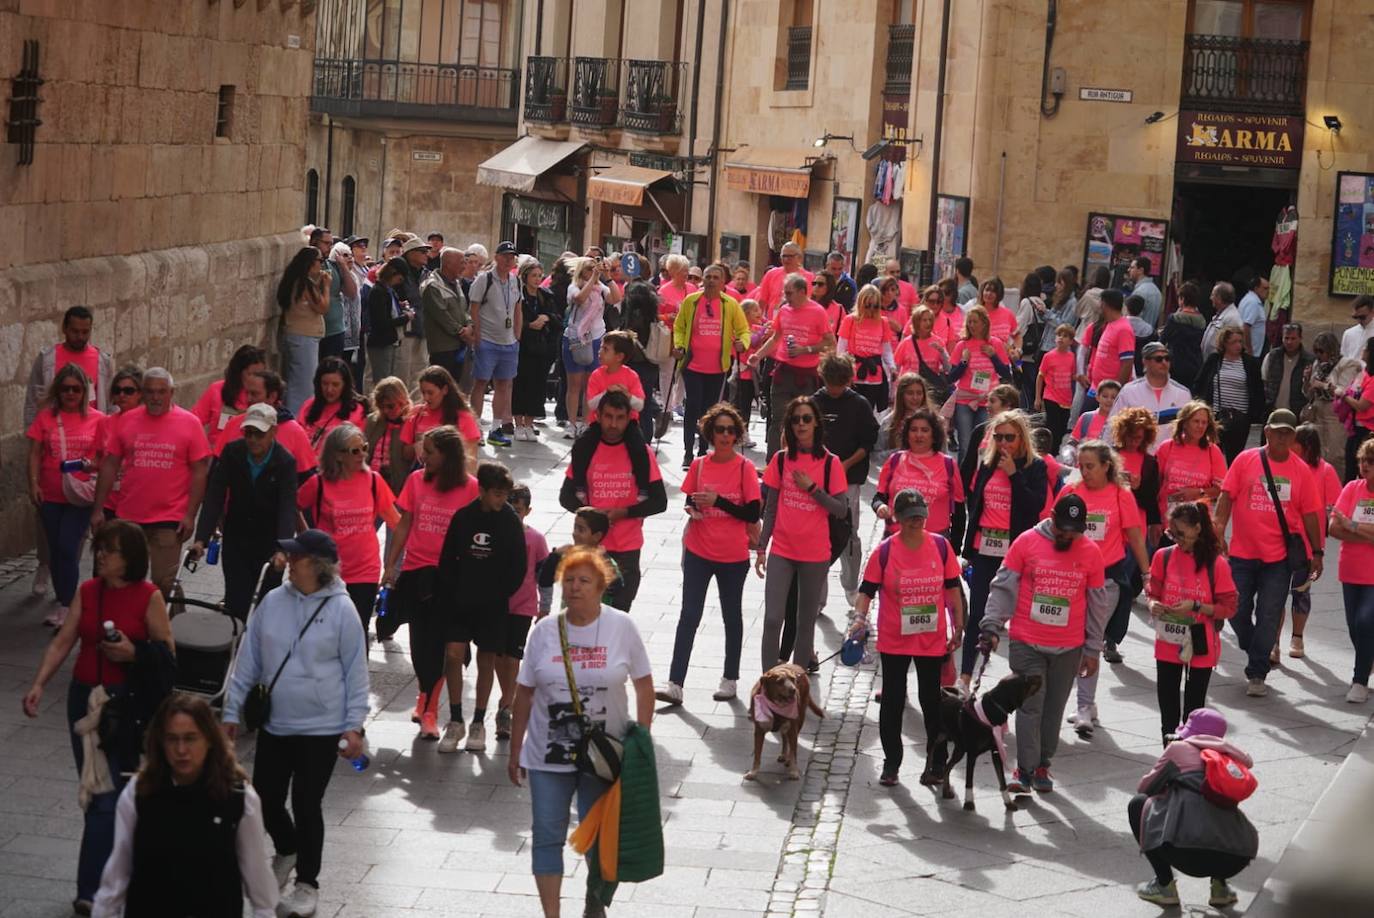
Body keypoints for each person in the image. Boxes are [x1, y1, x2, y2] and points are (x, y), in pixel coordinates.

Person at [21, 520, 173, 914]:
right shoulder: (88, 592)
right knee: (101, 795)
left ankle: (109, 883)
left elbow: (167, 655)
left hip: (128, 704)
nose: (101, 555)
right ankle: (95, 889)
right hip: (87, 703)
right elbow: (63, 641)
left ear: (130, 558)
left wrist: (134, 653)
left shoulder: (149, 597)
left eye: (110, 550)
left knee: (118, 796)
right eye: (100, 547)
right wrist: (38, 684)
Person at [222, 529, 369, 918]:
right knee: (265, 798)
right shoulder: (273, 601)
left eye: (297, 558)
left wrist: (354, 725)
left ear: (318, 566)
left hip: (322, 727)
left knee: (306, 803)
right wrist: (231, 711)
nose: (288, 563)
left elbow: (356, 672)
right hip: (277, 723)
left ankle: (307, 884)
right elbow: (249, 659)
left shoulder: (342, 610)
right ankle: (287, 848)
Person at [507, 546, 654, 918]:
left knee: (599, 838)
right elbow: (524, 693)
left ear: (601, 587)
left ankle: (595, 900)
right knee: (546, 836)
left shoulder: (622, 627)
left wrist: (641, 739)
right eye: (569, 580)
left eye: (584, 581)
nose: (574, 587)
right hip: (547, 753)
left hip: (603, 757)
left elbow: (644, 686)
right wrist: (515, 749)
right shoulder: (544, 631)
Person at [92, 694, 279, 917]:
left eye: (190, 738)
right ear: (160, 742)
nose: (181, 750)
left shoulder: (239, 798)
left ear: (209, 739)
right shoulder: (139, 792)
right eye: (172, 739)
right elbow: (118, 872)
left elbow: (258, 881)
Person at [980, 494, 1111, 794]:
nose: (1067, 535)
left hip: (1069, 647)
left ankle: (1043, 764)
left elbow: (1097, 604)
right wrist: (991, 624)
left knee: (1053, 710)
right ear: (1051, 517)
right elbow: (1003, 586)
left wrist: (1093, 649)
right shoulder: (1026, 542)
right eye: (1062, 528)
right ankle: (1024, 771)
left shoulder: (1091, 552)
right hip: (1027, 642)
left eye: (1073, 531)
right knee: (1030, 707)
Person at [851, 488, 963, 787]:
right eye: (911, 516)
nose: (917, 520)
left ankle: (937, 762)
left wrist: (958, 625)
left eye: (920, 515)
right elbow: (866, 591)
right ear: (898, 518)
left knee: (931, 701)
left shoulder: (941, 546)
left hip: (930, 638)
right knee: (892, 700)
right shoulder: (885, 551)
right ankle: (892, 763)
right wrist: (859, 619)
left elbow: (952, 588)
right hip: (895, 638)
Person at [1212, 410, 1324, 697]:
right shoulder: (1246, 460)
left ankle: (1257, 671)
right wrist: (1218, 530)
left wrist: (1317, 551)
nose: (1282, 437)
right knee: (1235, 608)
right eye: (1278, 431)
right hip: (1242, 553)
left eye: (1288, 433)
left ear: (1294, 436)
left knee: (1269, 614)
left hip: (1279, 559)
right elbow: (1226, 495)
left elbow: (1311, 514)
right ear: (1267, 433)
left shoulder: (1301, 471)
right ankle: (1256, 649)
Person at [656, 403, 760, 705]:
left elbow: (752, 512)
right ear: (710, 433)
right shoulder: (700, 465)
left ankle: (730, 678)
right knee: (689, 615)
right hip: (698, 551)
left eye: (730, 430)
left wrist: (719, 502)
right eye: (719, 430)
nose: (725, 435)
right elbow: (690, 499)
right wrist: (694, 509)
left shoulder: (745, 468)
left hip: (733, 556)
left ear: (737, 435)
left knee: (731, 616)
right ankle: (675, 683)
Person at [381, 426, 481, 737]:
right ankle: (424, 694)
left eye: (430, 451)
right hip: (416, 570)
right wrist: (390, 565)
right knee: (419, 642)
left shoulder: (471, 488)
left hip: (449, 576)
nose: (422, 455)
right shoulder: (416, 480)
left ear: (448, 455)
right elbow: (404, 523)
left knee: (440, 644)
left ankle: (431, 709)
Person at [430, 461, 526, 753]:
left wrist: (499, 593)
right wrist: (452, 592)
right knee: (453, 655)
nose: (502, 500)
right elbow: (447, 560)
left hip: (493, 605)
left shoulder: (510, 521)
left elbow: (518, 566)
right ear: (482, 491)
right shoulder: (463, 517)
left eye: (505, 494)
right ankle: (455, 719)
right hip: (460, 602)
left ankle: (478, 722)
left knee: (487, 660)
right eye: (497, 494)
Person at [90, 368, 211, 595]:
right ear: (142, 393)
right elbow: (110, 464)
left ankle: (169, 618)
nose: (155, 397)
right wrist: (98, 509)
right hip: (129, 516)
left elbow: (199, 471)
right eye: (150, 391)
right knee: (123, 578)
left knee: (164, 582)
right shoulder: (127, 421)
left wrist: (190, 515)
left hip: (169, 518)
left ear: (171, 392)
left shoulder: (190, 423)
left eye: (161, 392)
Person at [756, 395, 852, 671]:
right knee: (773, 619)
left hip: (815, 553)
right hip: (782, 550)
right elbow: (771, 508)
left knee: (805, 622)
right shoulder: (781, 460)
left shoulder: (831, 463)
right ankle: (768, 680)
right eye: (795, 419)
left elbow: (840, 510)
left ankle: (797, 680)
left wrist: (812, 489)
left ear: (815, 423)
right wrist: (762, 547)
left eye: (806, 418)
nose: (801, 424)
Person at [1129, 708, 1257, 908]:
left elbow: (1145, 788)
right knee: (1217, 812)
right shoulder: (1229, 758)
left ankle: (1164, 885)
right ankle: (1220, 888)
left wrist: (1171, 778)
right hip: (1235, 857)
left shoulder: (1179, 749)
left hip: (1185, 852)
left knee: (1138, 804)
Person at [1062, 441, 1149, 737]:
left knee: (1091, 639)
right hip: (1071, 578)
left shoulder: (1121, 495)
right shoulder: (1071, 492)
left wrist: (1148, 575)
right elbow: (1050, 529)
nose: (1084, 472)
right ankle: (1086, 702)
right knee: (1073, 641)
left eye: (1090, 466)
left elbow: (1135, 538)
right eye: (1081, 466)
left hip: (1107, 580)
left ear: (1106, 466)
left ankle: (1084, 706)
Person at [960, 409, 1049, 690]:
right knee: (978, 615)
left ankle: (1014, 683)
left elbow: (1034, 506)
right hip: (985, 550)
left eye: (1009, 437)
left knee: (1017, 621)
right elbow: (975, 506)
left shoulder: (1035, 467)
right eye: (998, 437)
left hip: (1017, 555)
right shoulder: (987, 465)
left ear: (1022, 438)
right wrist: (968, 550)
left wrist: (1013, 475)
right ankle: (965, 677)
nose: (1003, 443)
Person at [558, 390, 667, 611]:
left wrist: (624, 512)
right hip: (591, 547)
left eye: (620, 418)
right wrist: (592, 515)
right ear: (598, 416)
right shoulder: (585, 449)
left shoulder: (641, 453)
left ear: (629, 419)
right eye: (608, 416)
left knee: (617, 616)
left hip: (627, 549)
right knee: (580, 616)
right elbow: (565, 496)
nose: (614, 424)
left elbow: (659, 502)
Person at [191, 403, 296, 619]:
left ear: (273, 432)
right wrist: (201, 539)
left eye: (259, 434)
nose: (253, 440)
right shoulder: (233, 452)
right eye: (249, 433)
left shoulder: (285, 461)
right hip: (237, 538)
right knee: (236, 601)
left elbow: (287, 507)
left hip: (268, 541)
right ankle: (236, 637)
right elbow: (215, 496)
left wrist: (282, 549)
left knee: (266, 604)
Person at [1146, 503, 1238, 742]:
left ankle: (1189, 755)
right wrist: (1153, 604)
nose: (1177, 540)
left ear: (1197, 529)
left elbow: (1229, 607)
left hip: (1201, 641)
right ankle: (1169, 755)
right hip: (1168, 639)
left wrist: (1196, 606)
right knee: (1168, 708)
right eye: (1172, 534)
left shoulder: (1217, 564)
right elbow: (1152, 592)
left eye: (1181, 533)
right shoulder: (1163, 556)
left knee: (1194, 711)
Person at [297, 423, 399, 636]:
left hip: (365, 571)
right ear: (338, 455)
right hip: (327, 569)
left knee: (357, 631)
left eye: (364, 448)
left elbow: (396, 523)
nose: (362, 454)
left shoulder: (374, 481)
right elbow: (293, 507)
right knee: (324, 631)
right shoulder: (318, 483)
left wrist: (394, 565)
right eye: (355, 451)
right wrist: (307, 539)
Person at [27, 364, 105, 626]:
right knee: (55, 550)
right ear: (58, 391)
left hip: (81, 495)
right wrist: (34, 484)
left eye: (76, 389)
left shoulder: (98, 420)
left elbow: (104, 457)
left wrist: (89, 465)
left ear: (85, 391)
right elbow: (35, 453)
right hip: (50, 495)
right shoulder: (45, 418)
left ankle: (68, 604)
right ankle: (64, 599)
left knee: (67, 547)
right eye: (65, 388)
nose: (70, 393)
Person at [1270, 423, 1340, 664]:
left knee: (1301, 593)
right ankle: (1273, 642)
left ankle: (1297, 637)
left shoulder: (1325, 471)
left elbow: (1336, 505)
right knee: (1275, 594)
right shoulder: (1283, 466)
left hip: (1308, 545)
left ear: (1306, 446)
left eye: (1294, 441)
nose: (1288, 444)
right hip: (1279, 540)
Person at [814, 354, 880, 605]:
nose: (835, 390)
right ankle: (817, 596)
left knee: (849, 533)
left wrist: (846, 464)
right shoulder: (814, 402)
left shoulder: (859, 404)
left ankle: (851, 585)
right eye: (831, 384)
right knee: (819, 535)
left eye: (840, 385)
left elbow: (868, 442)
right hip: (818, 479)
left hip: (849, 478)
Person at [748, 273, 837, 455]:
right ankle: (773, 461)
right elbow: (776, 338)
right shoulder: (784, 310)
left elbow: (830, 342)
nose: (785, 297)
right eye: (785, 293)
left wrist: (806, 350)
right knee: (778, 419)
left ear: (802, 292)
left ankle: (801, 458)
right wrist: (758, 355)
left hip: (807, 375)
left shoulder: (818, 312)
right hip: (783, 371)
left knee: (803, 420)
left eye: (789, 293)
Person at [673, 263, 750, 466]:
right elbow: (679, 327)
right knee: (693, 406)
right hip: (692, 365)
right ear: (703, 280)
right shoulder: (691, 301)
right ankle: (688, 452)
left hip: (717, 367)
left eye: (716, 278)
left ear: (723, 282)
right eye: (708, 277)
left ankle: (703, 450)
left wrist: (743, 343)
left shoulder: (730, 304)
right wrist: (679, 345)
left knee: (709, 411)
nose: (711, 281)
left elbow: (743, 330)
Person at [872, 408, 963, 544]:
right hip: (896, 538)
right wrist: (880, 507)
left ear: (934, 435)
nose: (918, 435)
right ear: (907, 434)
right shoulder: (895, 460)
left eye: (925, 430)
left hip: (935, 540)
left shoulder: (948, 464)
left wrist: (955, 546)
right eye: (913, 430)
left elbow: (959, 508)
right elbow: (879, 497)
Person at [1330, 435, 1374, 703]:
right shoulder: (1351, 488)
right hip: (1350, 570)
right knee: (1354, 628)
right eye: (1362, 460)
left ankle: (1359, 680)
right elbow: (1334, 528)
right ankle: (1368, 659)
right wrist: (1368, 534)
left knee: (1365, 621)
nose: (1365, 465)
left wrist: (1354, 526)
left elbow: (1345, 525)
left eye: (1371, 461)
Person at [213, 370, 319, 481]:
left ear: (272, 396)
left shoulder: (294, 432)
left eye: (254, 394)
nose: (249, 399)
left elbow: (308, 479)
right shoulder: (234, 424)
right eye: (247, 393)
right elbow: (216, 469)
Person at [469, 242, 524, 446]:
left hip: (509, 342)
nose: (509, 260)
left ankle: (496, 428)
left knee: (503, 384)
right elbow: (474, 308)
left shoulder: (515, 281)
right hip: (487, 340)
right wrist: (477, 336)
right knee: (481, 383)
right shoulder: (485, 279)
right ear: (496, 257)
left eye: (512, 257)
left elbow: (518, 309)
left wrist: (517, 335)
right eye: (505, 256)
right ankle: (475, 428)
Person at [506, 484, 550, 727]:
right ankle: (507, 694)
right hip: (497, 604)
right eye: (510, 507)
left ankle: (508, 700)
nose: (514, 513)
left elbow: (544, 576)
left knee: (513, 655)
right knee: (498, 655)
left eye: (519, 509)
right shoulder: (498, 534)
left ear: (528, 511)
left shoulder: (535, 539)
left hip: (523, 606)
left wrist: (545, 606)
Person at [946, 305, 1011, 462]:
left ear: (984, 323)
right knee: (965, 444)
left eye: (975, 321)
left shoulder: (995, 343)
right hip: (965, 400)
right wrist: (963, 362)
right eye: (969, 322)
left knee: (982, 445)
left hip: (988, 401)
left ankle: (977, 475)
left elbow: (1006, 373)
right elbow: (951, 377)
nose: (972, 325)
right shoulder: (962, 345)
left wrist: (993, 356)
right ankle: (963, 476)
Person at [1194, 326, 1264, 465]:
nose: (1238, 345)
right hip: (1216, 415)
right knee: (1213, 454)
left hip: (1240, 417)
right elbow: (1200, 383)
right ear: (1225, 343)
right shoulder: (1214, 360)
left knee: (1235, 458)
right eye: (1234, 342)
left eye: (1240, 341)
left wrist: (1254, 414)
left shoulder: (1250, 363)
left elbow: (1257, 389)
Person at [277, 247, 330, 414]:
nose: (321, 265)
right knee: (303, 387)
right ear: (310, 263)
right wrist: (326, 286)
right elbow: (323, 307)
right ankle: (295, 419)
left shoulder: (293, 281)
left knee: (294, 383)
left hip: (294, 335)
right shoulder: (304, 284)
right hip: (303, 338)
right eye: (320, 261)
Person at [563, 256, 613, 436]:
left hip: (596, 337)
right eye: (589, 269)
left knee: (590, 384)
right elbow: (579, 298)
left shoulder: (601, 287)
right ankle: (571, 423)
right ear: (581, 271)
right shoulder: (574, 286)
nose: (593, 271)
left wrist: (608, 276)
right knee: (574, 384)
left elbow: (615, 298)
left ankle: (586, 422)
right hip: (575, 338)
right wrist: (593, 279)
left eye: (595, 268)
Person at [1110, 341, 1194, 445]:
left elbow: (1190, 431)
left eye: (1167, 358)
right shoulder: (1128, 392)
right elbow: (1112, 426)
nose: (1164, 362)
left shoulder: (1183, 394)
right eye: (1158, 359)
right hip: (1138, 453)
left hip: (1171, 454)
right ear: (1145, 361)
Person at [513, 259, 561, 441]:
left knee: (538, 386)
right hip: (522, 346)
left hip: (541, 348)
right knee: (520, 385)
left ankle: (529, 423)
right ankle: (518, 424)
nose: (537, 279)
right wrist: (529, 325)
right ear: (525, 276)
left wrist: (546, 318)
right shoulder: (518, 294)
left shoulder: (546, 296)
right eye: (533, 275)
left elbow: (558, 319)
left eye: (540, 275)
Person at [1155, 401, 1227, 522]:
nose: (1200, 426)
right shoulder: (1167, 447)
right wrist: (1154, 520)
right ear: (1184, 423)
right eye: (1196, 421)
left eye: (1204, 422)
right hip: (1167, 519)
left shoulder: (1213, 451)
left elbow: (1221, 490)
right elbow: (1154, 485)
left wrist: (1198, 492)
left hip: (1198, 522)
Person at [1303, 330, 1363, 472]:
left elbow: (1342, 390)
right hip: (1317, 413)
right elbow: (1308, 393)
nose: (1318, 355)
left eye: (1321, 351)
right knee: (1316, 454)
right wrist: (1306, 380)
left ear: (1331, 350)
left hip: (1335, 414)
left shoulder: (1347, 364)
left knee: (1335, 455)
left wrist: (1322, 385)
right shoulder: (1317, 365)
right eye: (1315, 351)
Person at [400, 364, 482, 467]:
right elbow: (405, 454)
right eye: (423, 392)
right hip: (420, 474)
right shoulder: (416, 413)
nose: (426, 398)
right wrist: (416, 447)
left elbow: (471, 461)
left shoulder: (464, 417)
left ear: (445, 390)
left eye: (430, 393)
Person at [837, 285, 898, 411]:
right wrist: (843, 372)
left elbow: (887, 350)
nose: (871, 309)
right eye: (867, 305)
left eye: (875, 306)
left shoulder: (883, 322)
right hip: (854, 374)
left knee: (868, 411)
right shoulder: (850, 320)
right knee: (851, 411)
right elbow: (841, 349)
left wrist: (892, 367)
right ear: (861, 303)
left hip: (874, 375)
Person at [420, 247, 475, 387]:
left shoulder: (456, 284)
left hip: (459, 346)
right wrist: (461, 332)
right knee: (441, 386)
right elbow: (442, 315)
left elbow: (464, 309)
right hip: (442, 348)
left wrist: (469, 326)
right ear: (449, 264)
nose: (465, 266)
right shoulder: (432, 286)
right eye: (462, 262)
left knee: (456, 387)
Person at [1078, 289, 1135, 413]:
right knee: (1086, 419)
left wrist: (1116, 392)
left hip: (1108, 394)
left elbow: (1127, 363)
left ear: (1104, 304)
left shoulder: (1124, 329)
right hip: (1096, 388)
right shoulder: (1110, 324)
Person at [190, 344, 266, 437]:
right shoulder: (217, 390)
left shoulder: (266, 394)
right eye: (252, 374)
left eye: (261, 374)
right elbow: (193, 422)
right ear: (239, 372)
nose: (257, 379)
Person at [299, 356, 368, 453]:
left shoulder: (356, 410)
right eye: (325, 384)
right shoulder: (309, 405)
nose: (329, 390)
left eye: (335, 385)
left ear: (345, 385)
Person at [364, 258, 413, 386]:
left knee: (388, 380)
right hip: (381, 343)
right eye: (399, 279)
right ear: (392, 274)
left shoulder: (388, 290)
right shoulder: (378, 291)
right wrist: (406, 318)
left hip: (390, 342)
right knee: (382, 382)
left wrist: (399, 306)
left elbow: (389, 310)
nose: (399, 282)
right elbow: (382, 322)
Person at [893, 304, 952, 408]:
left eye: (930, 320)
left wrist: (942, 352)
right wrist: (894, 392)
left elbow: (948, 369)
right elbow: (895, 369)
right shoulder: (906, 343)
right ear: (916, 322)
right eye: (924, 320)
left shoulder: (938, 342)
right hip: (908, 392)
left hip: (929, 393)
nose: (928, 323)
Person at [1035, 324, 1077, 449]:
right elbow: (1040, 377)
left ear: (1071, 341)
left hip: (1066, 399)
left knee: (1062, 428)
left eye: (1065, 336)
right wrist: (1038, 398)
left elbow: (1072, 376)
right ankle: (1049, 451)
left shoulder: (1072, 357)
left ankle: (1055, 450)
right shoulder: (1048, 356)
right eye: (1059, 335)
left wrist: (1080, 377)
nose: (1061, 338)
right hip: (1051, 396)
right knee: (1053, 427)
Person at [1160, 280, 1207, 390]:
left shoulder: (1175, 319)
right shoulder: (1202, 321)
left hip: (1175, 364)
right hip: (1195, 364)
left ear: (1182, 299)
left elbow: (1162, 340)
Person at [875, 373, 931, 462]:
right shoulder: (889, 422)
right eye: (910, 393)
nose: (915, 397)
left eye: (919, 393)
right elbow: (875, 456)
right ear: (901, 395)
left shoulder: (934, 421)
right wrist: (900, 452)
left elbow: (943, 455)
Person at [1340, 337, 1374, 480]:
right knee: (1350, 468)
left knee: (1364, 470)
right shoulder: (1364, 374)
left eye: (1366, 349)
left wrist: (1343, 396)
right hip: (1355, 427)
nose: (1363, 351)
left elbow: (1361, 406)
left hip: (1367, 430)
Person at [1262, 322, 1313, 417]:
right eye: (1286, 338)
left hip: (1297, 412)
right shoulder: (1272, 357)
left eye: (1293, 338)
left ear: (1300, 338)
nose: (1289, 342)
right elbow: (1264, 381)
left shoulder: (1309, 360)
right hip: (1273, 410)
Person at [755, 242, 813, 316]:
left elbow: (810, 302)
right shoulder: (771, 274)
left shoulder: (809, 277)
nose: (786, 259)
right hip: (772, 320)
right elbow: (762, 300)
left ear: (799, 258)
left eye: (790, 256)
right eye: (784, 256)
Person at [1068, 378, 1120, 444]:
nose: (1109, 400)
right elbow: (1073, 441)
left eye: (1113, 397)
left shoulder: (1121, 421)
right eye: (1105, 396)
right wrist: (1069, 449)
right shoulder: (1086, 418)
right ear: (1097, 397)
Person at [1200, 282, 1241, 359]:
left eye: (1213, 295)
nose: (1210, 298)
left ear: (1219, 298)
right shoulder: (1221, 314)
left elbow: (1232, 347)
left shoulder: (1232, 318)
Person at [1127, 256, 1163, 329]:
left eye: (1132, 267)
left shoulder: (1140, 292)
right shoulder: (1156, 291)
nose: (1128, 270)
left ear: (1140, 270)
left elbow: (1134, 321)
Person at [1237, 275, 1269, 357]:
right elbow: (1246, 326)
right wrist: (1249, 349)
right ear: (1256, 288)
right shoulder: (1253, 303)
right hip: (1251, 353)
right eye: (1265, 288)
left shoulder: (1250, 299)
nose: (1268, 291)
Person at [1341, 294, 1374, 360]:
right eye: (1355, 317)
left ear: (1372, 312)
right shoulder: (1348, 333)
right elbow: (1344, 357)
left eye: (1362, 317)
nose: (1359, 320)